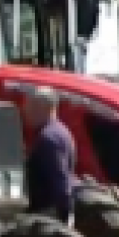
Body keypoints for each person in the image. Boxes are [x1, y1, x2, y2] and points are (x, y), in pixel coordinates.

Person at [24, 87, 76, 223]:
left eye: (29, 106)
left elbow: (60, 179)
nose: (25, 111)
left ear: (42, 107)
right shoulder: (62, 131)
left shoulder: (49, 138)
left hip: (46, 215)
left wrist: (65, 216)